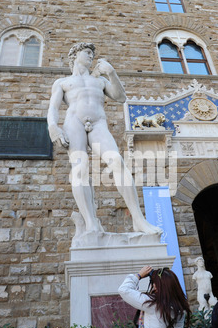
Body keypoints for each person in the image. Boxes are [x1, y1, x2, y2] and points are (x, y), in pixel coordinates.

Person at [47, 42, 161, 235]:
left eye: (92, 54)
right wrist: (53, 128)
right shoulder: (62, 82)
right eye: (87, 52)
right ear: (75, 55)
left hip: (98, 123)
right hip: (74, 122)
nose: (91, 56)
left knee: (117, 161)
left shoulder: (99, 81)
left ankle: (138, 220)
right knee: (80, 168)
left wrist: (111, 72)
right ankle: (91, 223)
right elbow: (53, 108)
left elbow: (121, 97)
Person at [118, 265, 191, 328]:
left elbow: (124, 290)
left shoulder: (153, 306)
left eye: (154, 283)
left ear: (158, 286)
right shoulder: (181, 307)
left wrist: (138, 276)